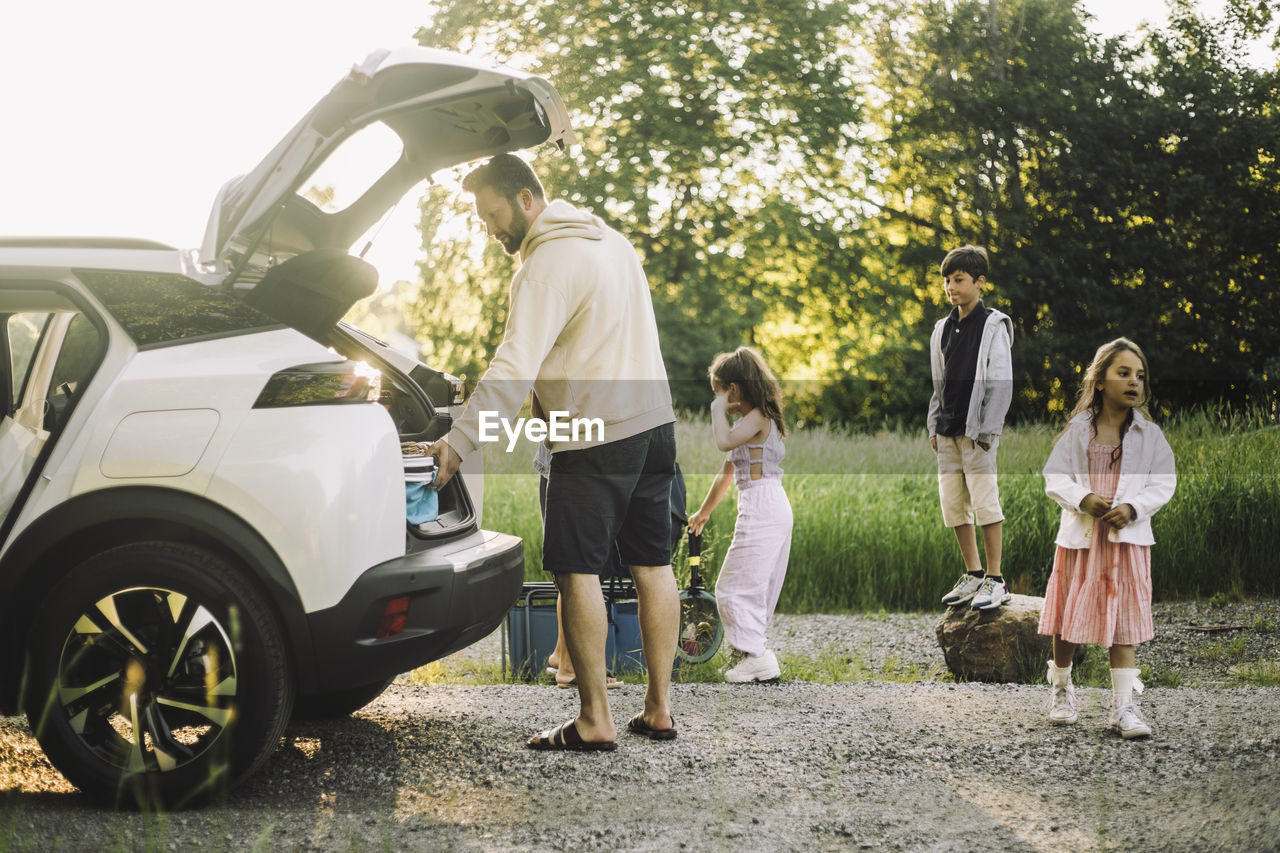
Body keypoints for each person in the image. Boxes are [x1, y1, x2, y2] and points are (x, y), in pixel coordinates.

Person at [423, 154, 679, 751]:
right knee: (653, 564)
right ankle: (659, 709)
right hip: (655, 424)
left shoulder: (543, 264)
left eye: (493, 214)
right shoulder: (611, 242)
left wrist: (457, 443)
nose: (491, 229)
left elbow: (514, 367)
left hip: (594, 434)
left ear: (526, 197)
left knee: (575, 569)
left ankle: (595, 721)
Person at [1038, 338, 1176, 738]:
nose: (1134, 381)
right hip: (1082, 540)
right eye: (1123, 373)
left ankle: (1123, 707)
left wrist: (1133, 508)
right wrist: (1083, 498)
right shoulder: (1080, 430)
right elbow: (1055, 476)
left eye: (1140, 375)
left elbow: (1163, 482)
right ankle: (1062, 689)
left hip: (1125, 541)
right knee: (1066, 618)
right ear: (1099, 381)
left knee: (1124, 624)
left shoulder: (1149, 435)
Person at [687, 347, 793, 683]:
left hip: (764, 505)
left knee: (731, 587)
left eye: (720, 394)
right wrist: (704, 513)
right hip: (765, 503)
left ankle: (757, 657)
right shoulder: (750, 421)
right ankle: (751, 654)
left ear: (733, 389)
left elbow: (723, 442)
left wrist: (716, 409)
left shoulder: (759, 416)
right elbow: (727, 470)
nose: (719, 402)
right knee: (752, 585)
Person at [927, 245, 1014, 611]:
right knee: (954, 506)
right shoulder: (942, 329)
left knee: (984, 502)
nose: (951, 287)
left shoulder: (992, 324)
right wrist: (934, 425)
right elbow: (939, 383)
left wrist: (988, 430)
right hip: (947, 432)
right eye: (947, 280)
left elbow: (1000, 382)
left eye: (959, 279)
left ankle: (995, 579)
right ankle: (973, 574)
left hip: (976, 434)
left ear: (980, 282)